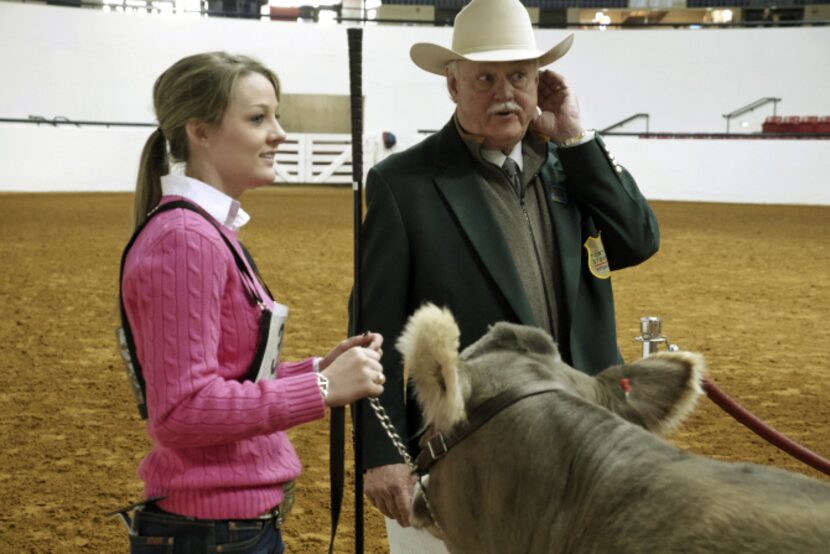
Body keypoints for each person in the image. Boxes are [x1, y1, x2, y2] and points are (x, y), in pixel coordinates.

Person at [349, 0, 660, 549]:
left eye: (519, 76)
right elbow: (373, 330)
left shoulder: (570, 162)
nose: (504, 92)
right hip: (472, 455)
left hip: (588, 443)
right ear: (453, 84)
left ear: (540, 82)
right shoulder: (406, 184)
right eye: (484, 78)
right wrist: (384, 454)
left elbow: (638, 239)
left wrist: (577, 136)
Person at [116, 52, 385, 553]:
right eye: (259, 118)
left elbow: (229, 378)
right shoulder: (185, 239)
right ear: (200, 132)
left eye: (275, 116)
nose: (279, 132)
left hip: (229, 529)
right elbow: (183, 410)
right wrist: (323, 388)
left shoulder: (206, 232)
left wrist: (315, 370)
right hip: (216, 534)